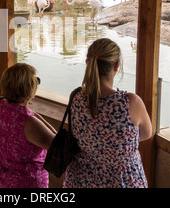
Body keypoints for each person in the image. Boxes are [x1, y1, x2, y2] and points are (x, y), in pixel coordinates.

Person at [63, 38, 152, 188]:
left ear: (88, 63)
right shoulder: (130, 103)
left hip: (81, 180)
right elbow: (146, 134)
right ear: (116, 65)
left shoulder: (76, 98)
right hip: (123, 181)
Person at [0, 63, 56, 188]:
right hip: (26, 182)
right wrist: (36, 116)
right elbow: (57, 144)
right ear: (30, 88)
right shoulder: (29, 122)